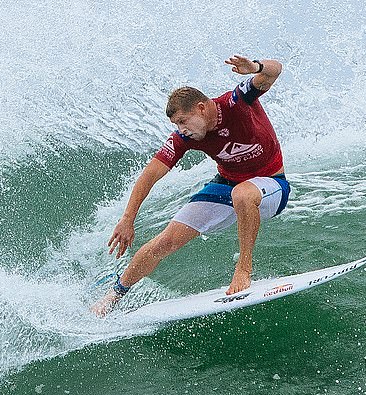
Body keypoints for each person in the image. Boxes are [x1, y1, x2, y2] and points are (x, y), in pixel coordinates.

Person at [91, 55, 290, 317]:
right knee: (165, 242)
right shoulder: (185, 138)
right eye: (176, 125)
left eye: (183, 121)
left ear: (201, 108)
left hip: (272, 184)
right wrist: (128, 219)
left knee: (242, 193)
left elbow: (275, 71)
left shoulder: (236, 102)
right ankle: (114, 294)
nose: (181, 129)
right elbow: (150, 175)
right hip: (226, 184)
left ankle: (243, 270)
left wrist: (255, 68)